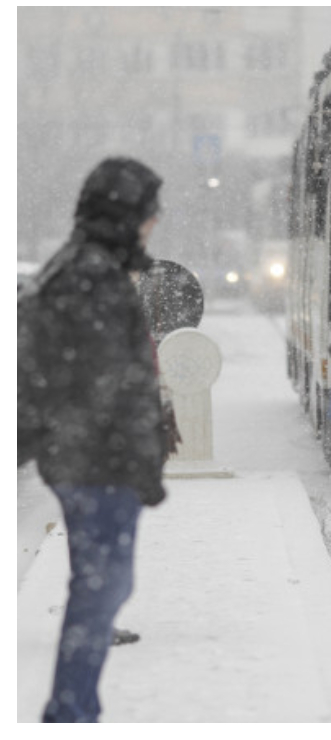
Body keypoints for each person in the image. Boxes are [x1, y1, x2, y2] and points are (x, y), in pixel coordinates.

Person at [25, 157, 170, 722]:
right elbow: (107, 381)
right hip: (93, 461)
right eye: (148, 210)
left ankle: (76, 707)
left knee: (104, 585)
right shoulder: (90, 275)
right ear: (124, 212)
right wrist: (139, 463)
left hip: (89, 456)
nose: (154, 221)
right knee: (100, 587)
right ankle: (70, 713)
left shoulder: (87, 266)